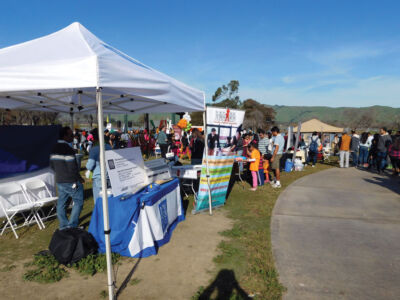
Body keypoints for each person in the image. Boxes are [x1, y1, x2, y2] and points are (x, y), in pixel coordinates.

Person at [50, 127, 85, 230]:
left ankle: (64, 226)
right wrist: (79, 178)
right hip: (70, 180)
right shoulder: (68, 149)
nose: (73, 137)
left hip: (60, 180)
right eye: (70, 135)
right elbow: (72, 168)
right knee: (78, 201)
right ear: (65, 136)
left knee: (62, 203)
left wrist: (60, 173)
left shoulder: (54, 148)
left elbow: (52, 165)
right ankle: (72, 225)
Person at [86, 129, 112, 203]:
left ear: (94, 138)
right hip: (109, 176)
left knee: (99, 201)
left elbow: (90, 166)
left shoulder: (94, 149)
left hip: (99, 177)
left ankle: (100, 214)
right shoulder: (108, 147)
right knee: (109, 199)